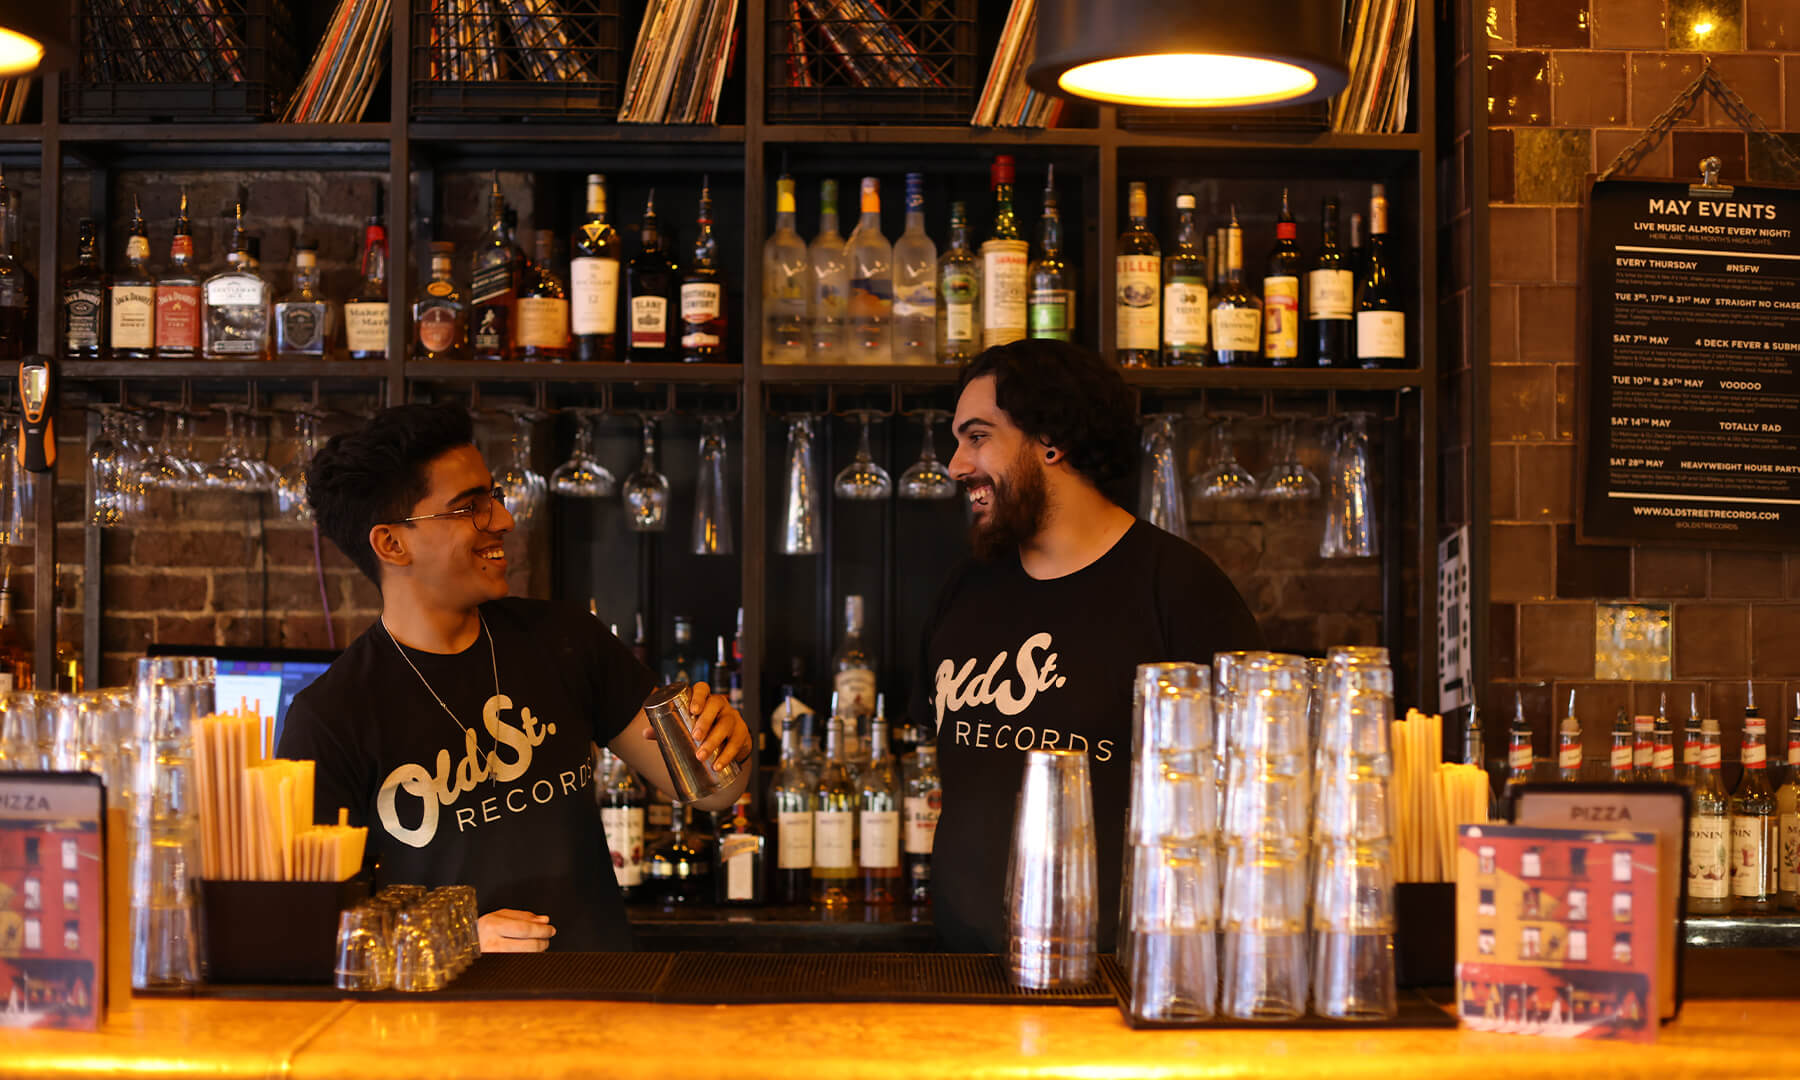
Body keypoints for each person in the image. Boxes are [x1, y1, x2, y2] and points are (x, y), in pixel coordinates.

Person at [278, 404, 750, 952]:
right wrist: (452, 937)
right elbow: (314, 932)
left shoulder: (565, 638)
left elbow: (715, 793)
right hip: (447, 1019)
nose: (502, 520)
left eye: (494, 497)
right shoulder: (331, 716)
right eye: (468, 509)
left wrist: (722, 744)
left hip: (602, 999)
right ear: (391, 544)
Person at [916, 339, 1263, 954]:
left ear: (1051, 440)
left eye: (977, 437)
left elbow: (1251, 803)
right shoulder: (965, 587)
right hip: (964, 972)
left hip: (1115, 980)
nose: (955, 465)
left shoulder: (1179, 590)